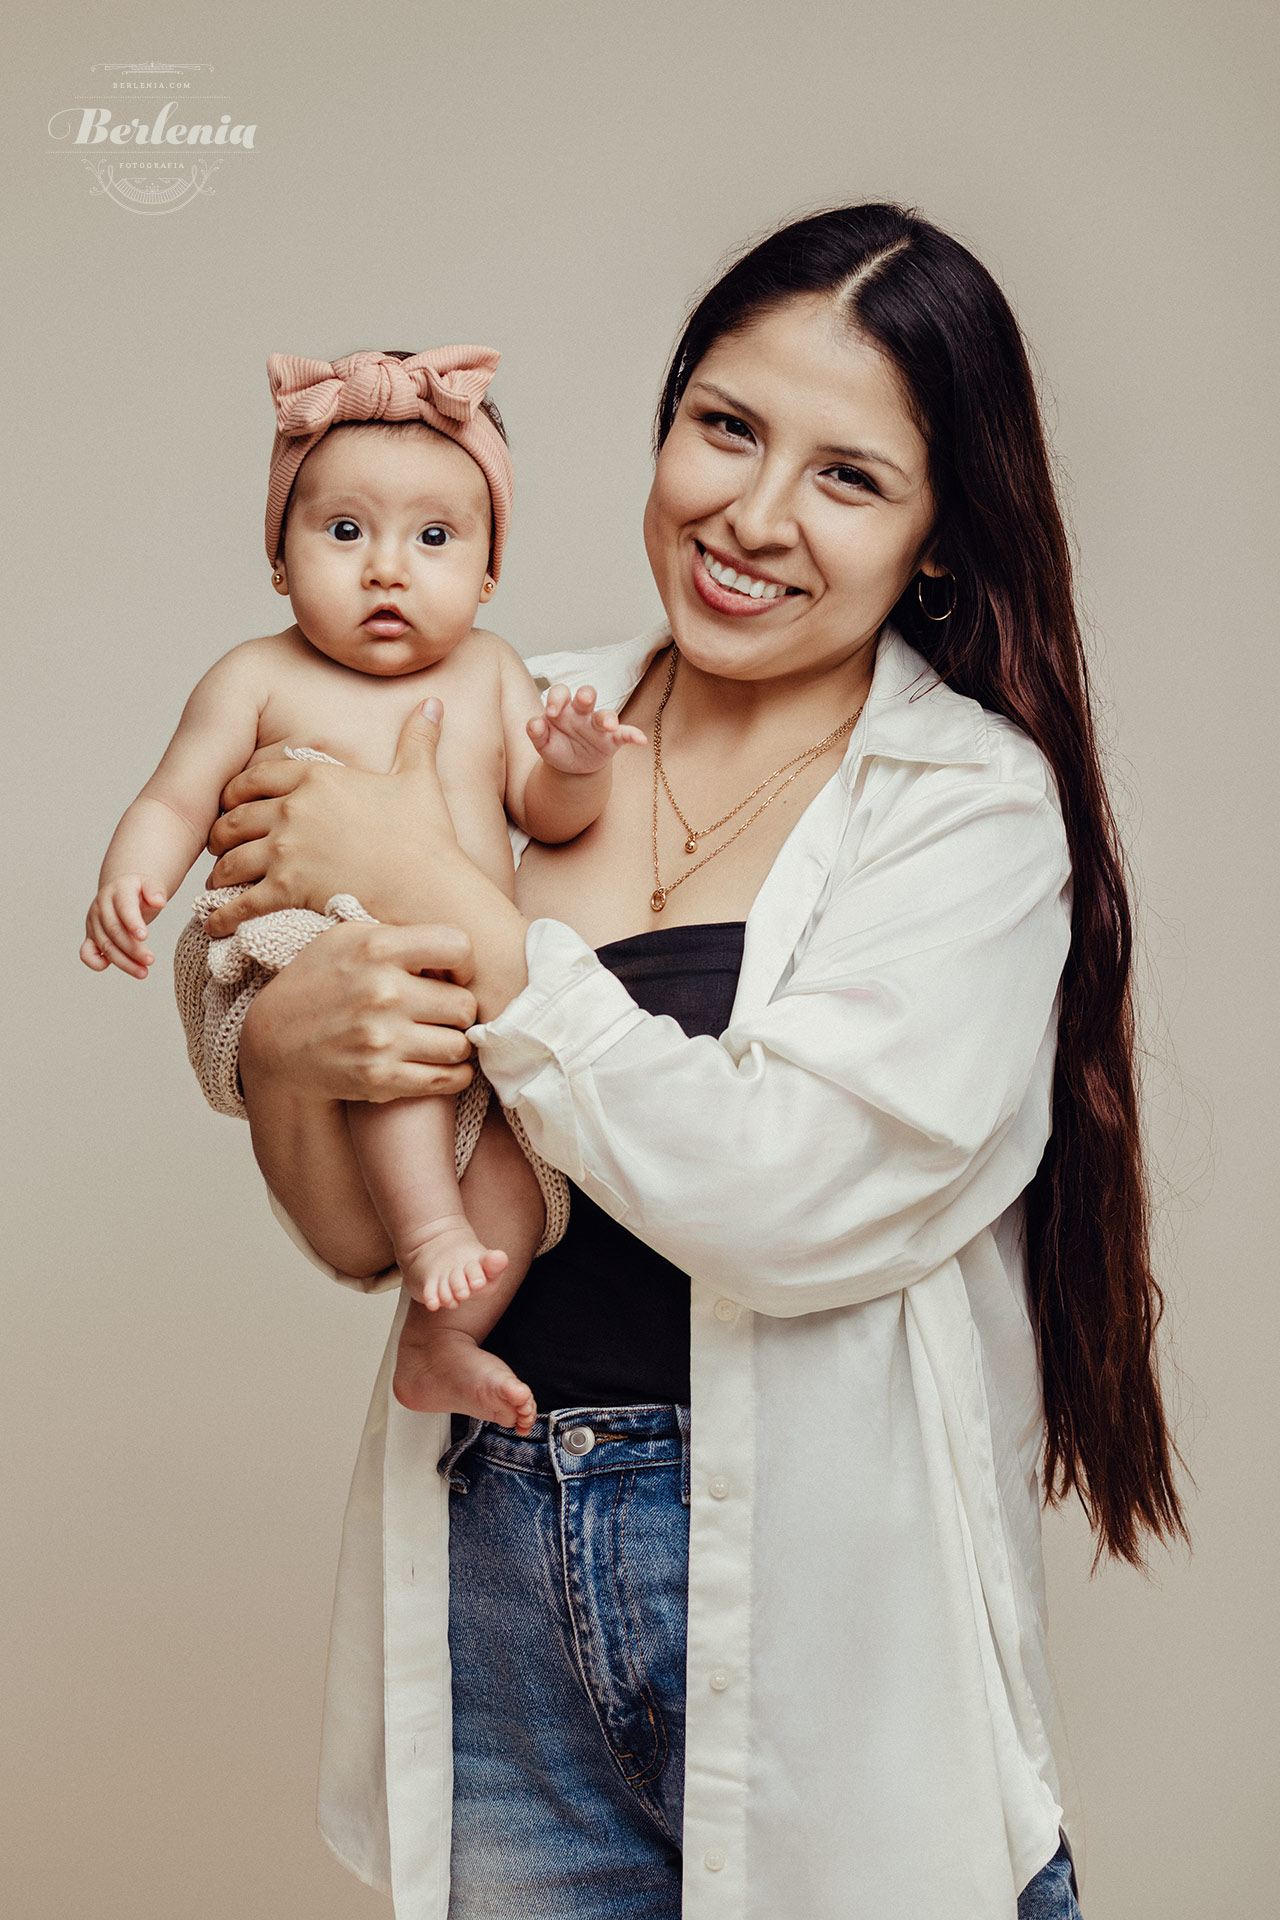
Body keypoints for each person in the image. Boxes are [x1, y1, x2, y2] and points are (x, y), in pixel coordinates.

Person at [196, 205, 1186, 1919]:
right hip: (494, 1565)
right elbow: (371, 1237)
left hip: (824, 1620)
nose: (751, 513)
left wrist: (480, 932)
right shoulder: (500, 715)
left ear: (943, 540)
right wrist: (284, 1042)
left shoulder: (960, 808)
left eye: (849, 477)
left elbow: (782, 1194)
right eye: (725, 426)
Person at [81, 345, 646, 1432]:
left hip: (463, 987)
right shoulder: (257, 675)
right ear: (280, 560)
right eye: (344, 532)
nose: (387, 568)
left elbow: (546, 810)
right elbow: (174, 800)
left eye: (433, 538)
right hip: (297, 950)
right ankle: (429, 1233)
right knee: (402, 1022)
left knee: (534, 1179)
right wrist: (132, 881)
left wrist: (574, 762)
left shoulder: (491, 671)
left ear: (486, 573)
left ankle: (440, 1340)